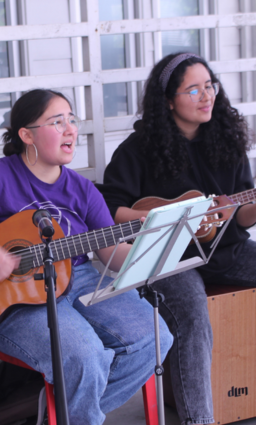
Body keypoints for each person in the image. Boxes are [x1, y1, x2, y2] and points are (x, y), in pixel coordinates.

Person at [0, 88, 173, 424]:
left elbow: (112, 254)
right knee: (83, 356)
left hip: (79, 280)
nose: (71, 129)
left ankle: (59, 413)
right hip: (9, 298)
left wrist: (155, 243)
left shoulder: (82, 189)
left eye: (72, 120)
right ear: (26, 135)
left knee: (154, 337)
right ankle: (67, 411)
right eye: (57, 121)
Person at [97, 52, 256, 425]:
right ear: (169, 100)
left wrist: (240, 209)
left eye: (210, 86)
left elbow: (244, 212)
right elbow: (108, 210)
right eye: (194, 89)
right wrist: (165, 218)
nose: (207, 96)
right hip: (168, 258)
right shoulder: (138, 150)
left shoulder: (227, 141)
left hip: (225, 250)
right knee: (192, 316)